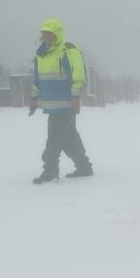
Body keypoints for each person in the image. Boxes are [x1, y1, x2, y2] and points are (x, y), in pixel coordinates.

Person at [30, 18, 94, 184]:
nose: (46, 35)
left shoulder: (68, 50)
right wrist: (34, 97)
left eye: (49, 32)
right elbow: (38, 79)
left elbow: (78, 76)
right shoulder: (41, 53)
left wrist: (75, 97)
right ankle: (84, 166)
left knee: (54, 138)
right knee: (68, 138)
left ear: (57, 33)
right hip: (52, 105)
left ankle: (50, 170)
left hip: (66, 103)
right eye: (44, 32)